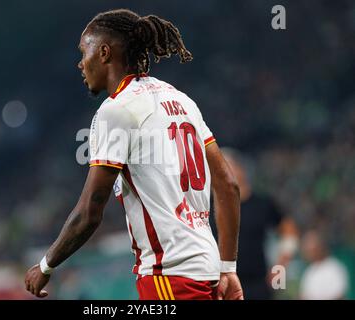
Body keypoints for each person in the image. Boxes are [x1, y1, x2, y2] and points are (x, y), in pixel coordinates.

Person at [25, 9, 243, 300]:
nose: (80, 63)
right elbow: (228, 185)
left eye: (83, 51)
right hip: (208, 271)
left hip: (168, 276)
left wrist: (46, 265)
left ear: (104, 52)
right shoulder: (181, 100)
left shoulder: (116, 111)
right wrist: (228, 268)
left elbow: (90, 210)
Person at [210, 148, 299, 299]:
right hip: (220, 286)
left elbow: (289, 232)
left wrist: (279, 270)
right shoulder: (208, 207)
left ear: (241, 170)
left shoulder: (262, 204)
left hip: (256, 285)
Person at [299, 229, 349, 300]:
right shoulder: (309, 272)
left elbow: (340, 296)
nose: (309, 253)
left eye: (311, 249)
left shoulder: (335, 268)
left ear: (320, 247)